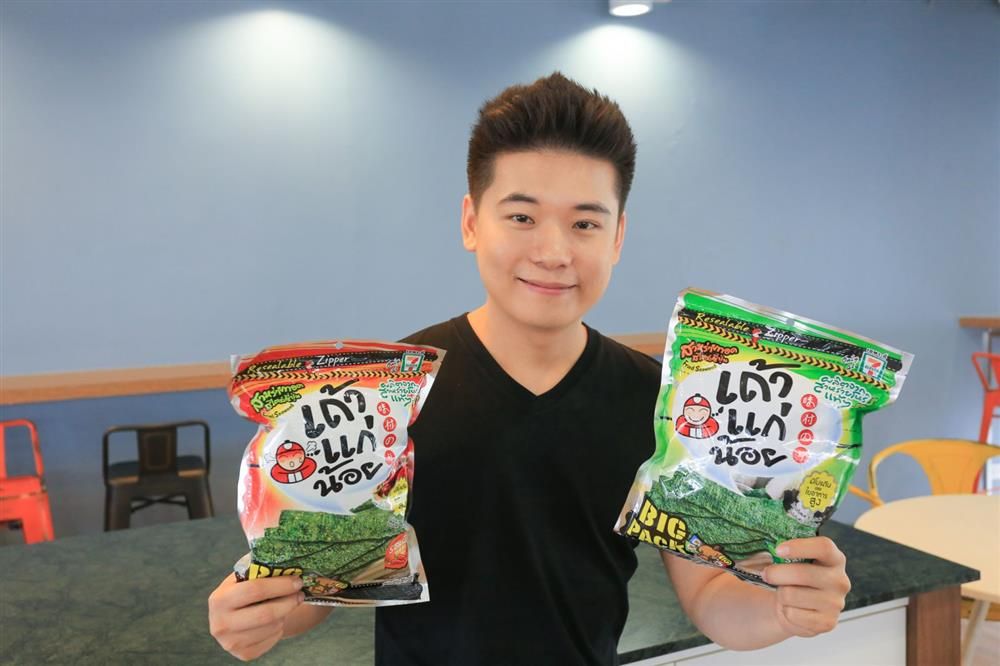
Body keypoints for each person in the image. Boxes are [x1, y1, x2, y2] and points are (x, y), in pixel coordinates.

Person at [208, 72, 850, 664]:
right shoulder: (385, 394)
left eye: (585, 223)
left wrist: (783, 607)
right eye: (521, 216)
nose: (553, 251)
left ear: (618, 237)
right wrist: (263, 613)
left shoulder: (661, 404)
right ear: (471, 222)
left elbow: (710, 595)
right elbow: (322, 583)